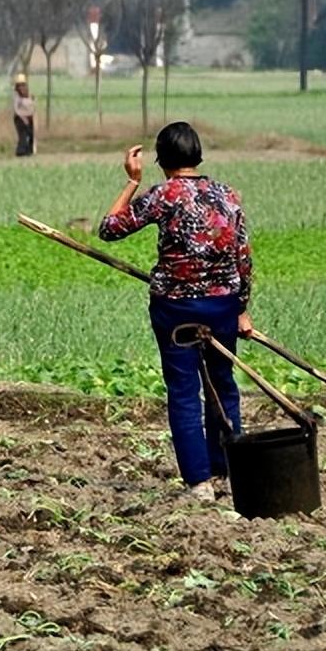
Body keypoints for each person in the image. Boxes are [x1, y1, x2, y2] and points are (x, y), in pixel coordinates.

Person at [98, 121, 253, 502]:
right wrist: (242, 310)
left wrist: (132, 181)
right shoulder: (227, 195)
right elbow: (243, 257)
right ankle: (227, 471)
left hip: (175, 308)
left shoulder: (162, 195)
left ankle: (199, 483)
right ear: (197, 156)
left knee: (184, 391)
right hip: (222, 305)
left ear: (162, 160)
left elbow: (109, 229)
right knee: (223, 384)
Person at [12, 74, 36, 157]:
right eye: (20, 85)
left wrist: (32, 99)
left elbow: (31, 105)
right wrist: (23, 118)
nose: (22, 87)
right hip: (20, 119)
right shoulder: (16, 96)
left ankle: (29, 151)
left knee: (31, 135)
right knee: (23, 135)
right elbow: (16, 109)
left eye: (23, 84)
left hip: (29, 117)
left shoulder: (27, 94)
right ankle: (20, 152)